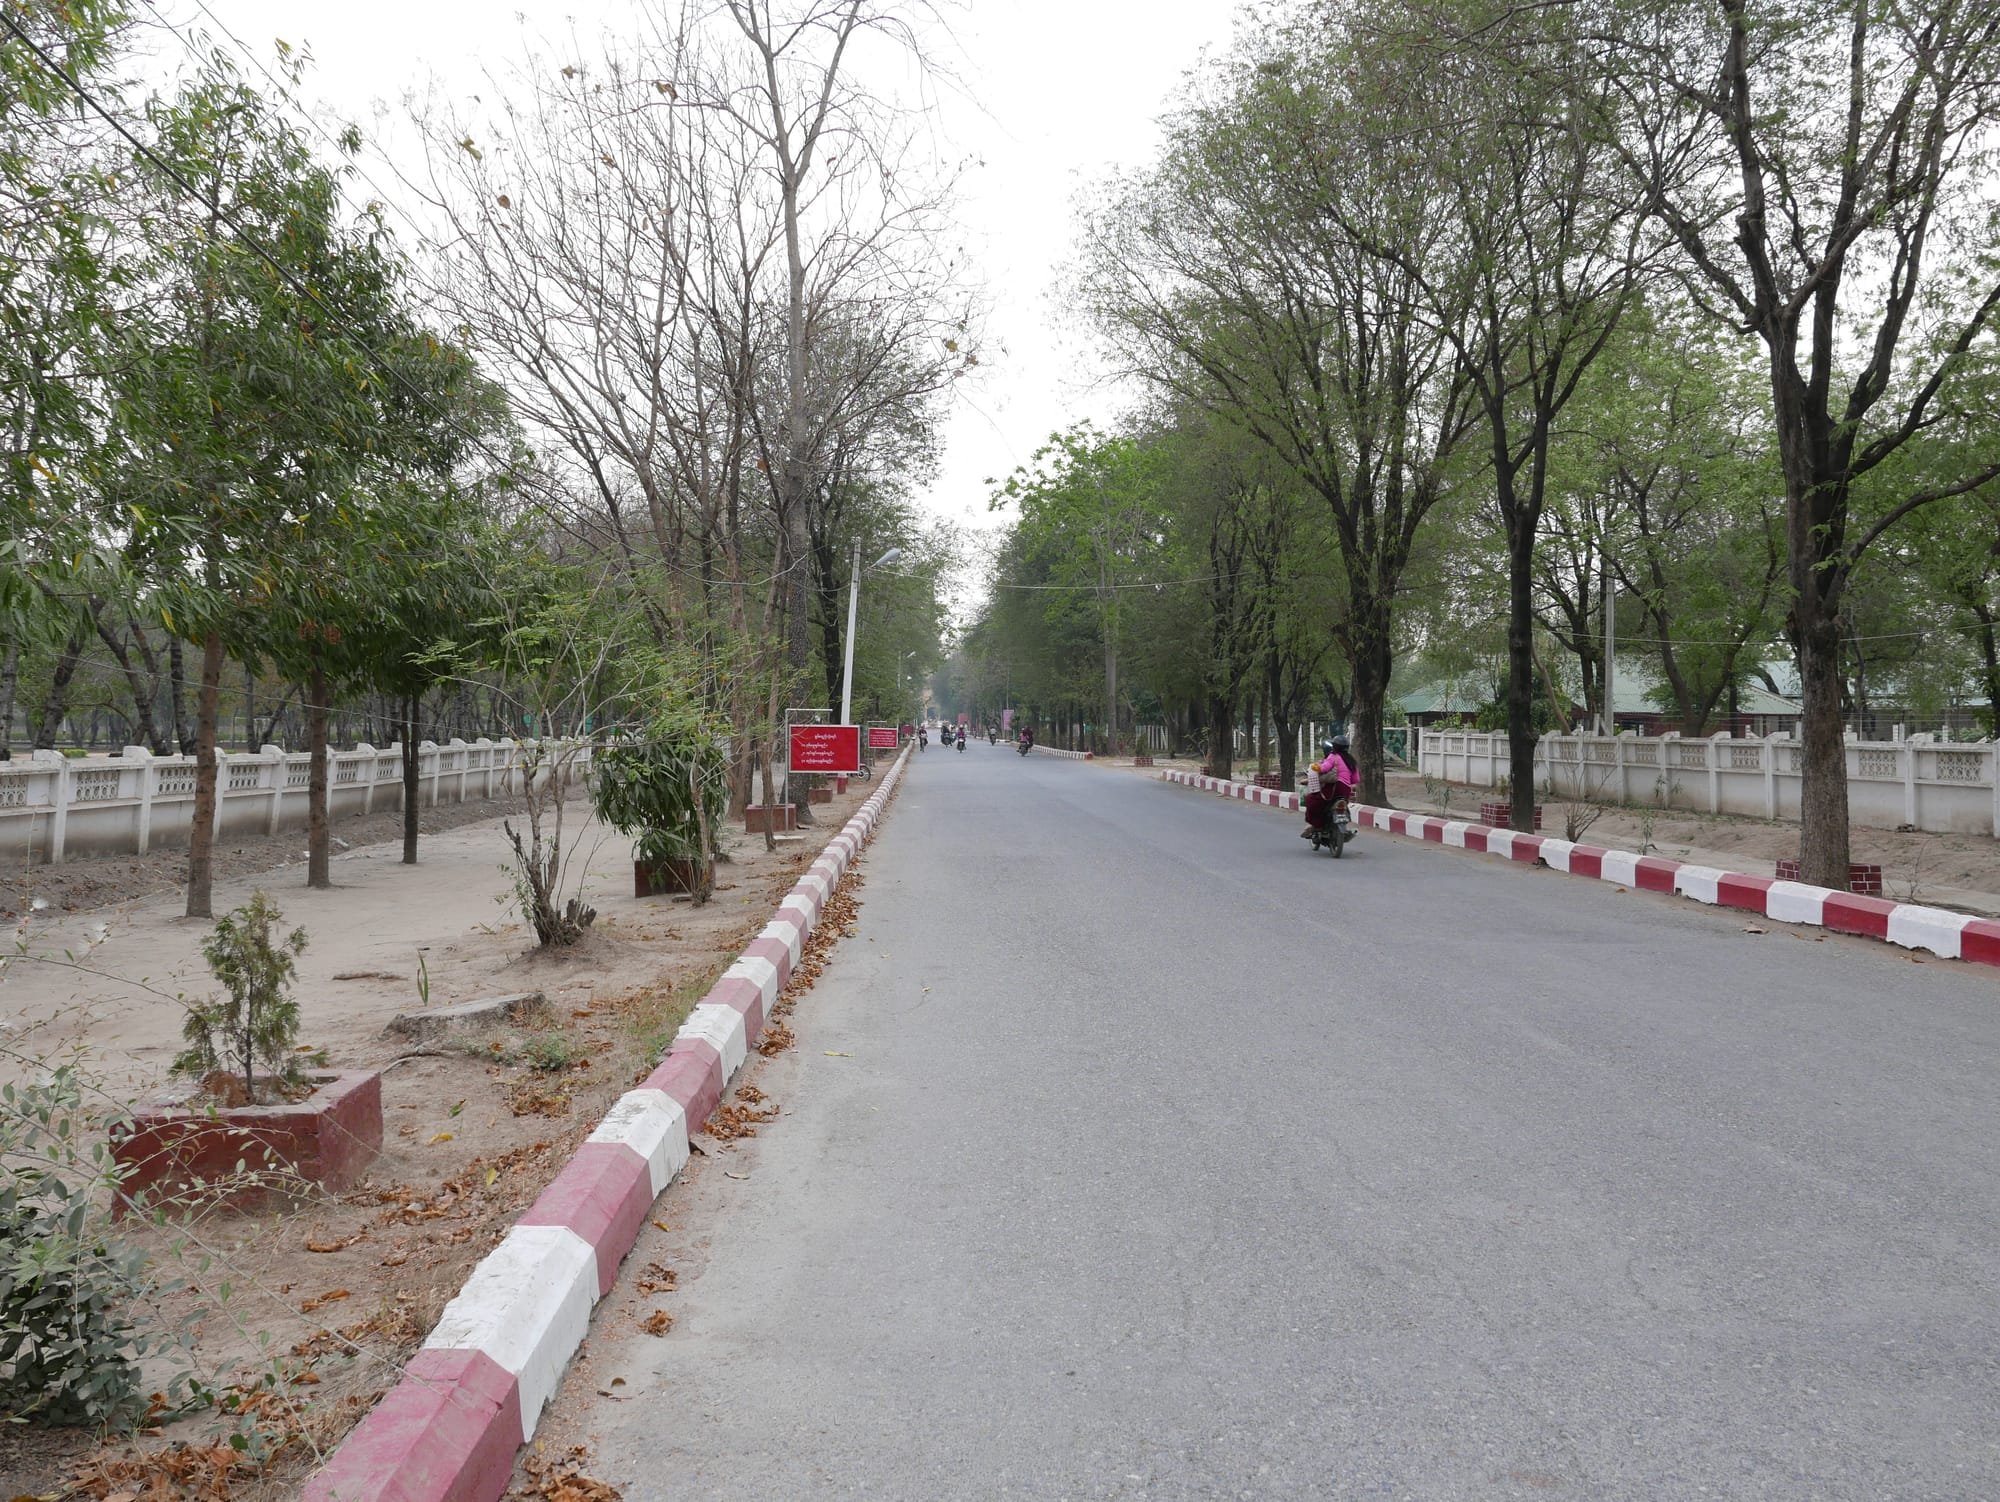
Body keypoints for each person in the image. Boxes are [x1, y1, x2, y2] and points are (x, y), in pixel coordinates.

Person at [1302, 736, 1356, 838]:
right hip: (1346, 790)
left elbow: (1323, 768)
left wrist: (1315, 767)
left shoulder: (1333, 756)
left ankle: (1315, 825)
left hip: (1334, 788)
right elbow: (1355, 779)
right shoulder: (1351, 760)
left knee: (1311, 800)